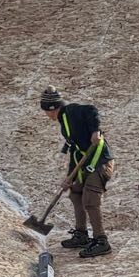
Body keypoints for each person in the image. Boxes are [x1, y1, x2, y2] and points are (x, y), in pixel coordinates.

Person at [38, 87, 111, 257]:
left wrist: (95, 131)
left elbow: (91, 110)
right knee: (75, 193)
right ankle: (81, 234)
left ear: (51, 108)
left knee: (90, 199)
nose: (46, 115)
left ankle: (102, 241)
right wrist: (69, 177)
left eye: (46, 111)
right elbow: (75, 151)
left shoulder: (71, 111)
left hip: (100, 161)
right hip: (85, 162)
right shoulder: (64, 122)